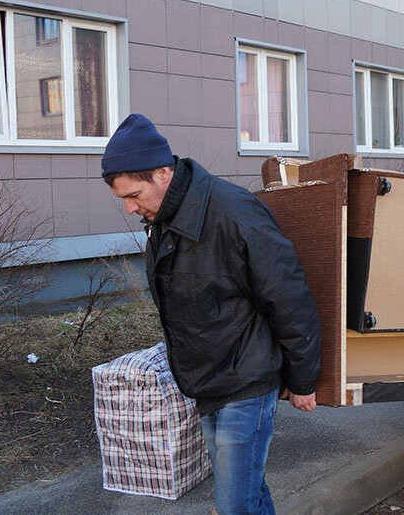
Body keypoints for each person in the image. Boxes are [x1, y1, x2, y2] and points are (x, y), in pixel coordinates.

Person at [101, 113, 322, 514]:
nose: (131, 209)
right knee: (248, 492)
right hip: (207, 383)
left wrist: (303, 377)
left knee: (232, 504)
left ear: (162, 173)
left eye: (133, 195)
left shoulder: (232, 212)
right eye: (124, 201)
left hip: (247, 382)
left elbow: (288, 294)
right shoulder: (164, 220)